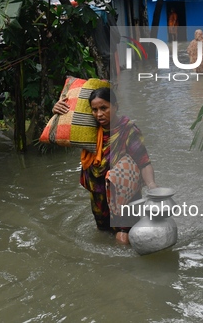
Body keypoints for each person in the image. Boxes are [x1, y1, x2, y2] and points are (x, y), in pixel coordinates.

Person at [52, 87, 157, 245]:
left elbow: (143, 161)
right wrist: (57, 112)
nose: (99, 114)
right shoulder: (89, 130)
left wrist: (152, 185)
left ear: (115, 106)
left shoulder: (128, 130)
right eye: (94, 110)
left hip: (123, 194)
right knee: (103, 233)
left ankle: (124, 268)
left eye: (104, 108)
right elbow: (61, 131)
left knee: (123, 237)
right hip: (98, 193)